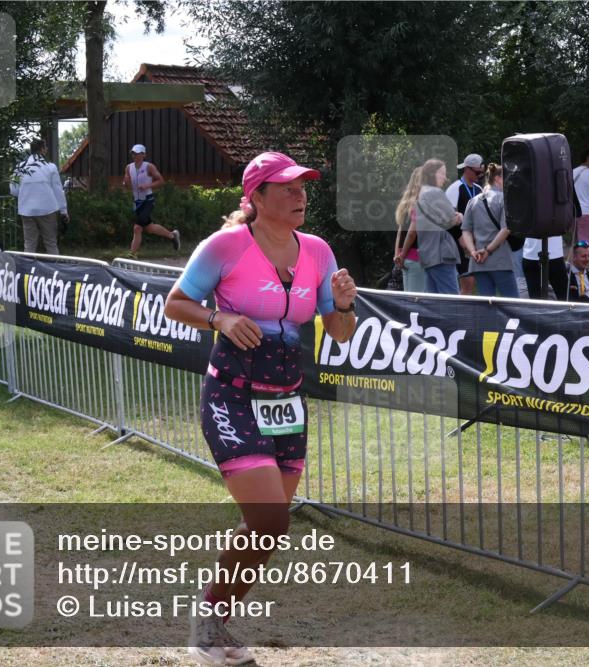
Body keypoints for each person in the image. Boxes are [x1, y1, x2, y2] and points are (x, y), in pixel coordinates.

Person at [163, 151, 357, 667]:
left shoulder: (317, 250)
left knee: (270, 525)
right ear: (257, 198)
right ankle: (208, 621)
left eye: (303, 188)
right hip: (231, 395)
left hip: (287, 400)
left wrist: (341, 304)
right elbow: (175, 302)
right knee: (269, 518)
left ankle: (214, 620)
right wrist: (220, 319)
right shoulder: (226, 245)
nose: (300, 196)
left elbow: (338, 332)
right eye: (288, 188)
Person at [459, 163, 518, 297]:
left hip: (478, 262)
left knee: (486, 305)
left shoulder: (473, 201)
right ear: (497, 179)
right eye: (507, 178)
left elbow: (466, 230)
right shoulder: (504, 199)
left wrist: (473, 251)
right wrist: (488, 250)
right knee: (513, 303)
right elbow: (506, 229)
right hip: (500, 260)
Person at [10, 138, 68, 254]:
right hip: (47, 209)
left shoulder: (19, 167)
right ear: (42, 149)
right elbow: (58, 190)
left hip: (26, 210)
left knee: (29, 244)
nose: (46, 149)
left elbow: (14, 191)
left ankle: (28, 270)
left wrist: (27, 195)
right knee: (51, 243)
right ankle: (53, 270)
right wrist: (63, 211)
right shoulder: (50, 167)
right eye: (45, 147)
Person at [415, 159, 464, 295]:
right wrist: (460, 216)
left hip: (428, 254)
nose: (445, 177)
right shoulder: (434, 192)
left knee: (433, 301)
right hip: (441, 254)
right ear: (432, 174)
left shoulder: (422, 192)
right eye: (442, 173)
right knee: (452, 299)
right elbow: (450, 219)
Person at [123, 144, 180, 258]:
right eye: (133, 153)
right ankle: (172, 236)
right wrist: (126, 182)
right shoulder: (129, 167)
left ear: (144, 154)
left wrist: (148, 185)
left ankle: (132, 254)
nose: (135, 156)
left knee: (137, 227)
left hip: (148, 200)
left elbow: (161, 181)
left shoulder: (149, 167)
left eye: (138, 153)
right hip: (137, 202)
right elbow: (128, 186)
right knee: (149, 228)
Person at [445, 153, 484, 295]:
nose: (479, 176)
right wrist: (460, 238)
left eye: (481, 172)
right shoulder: (454, 189)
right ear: (467, 169)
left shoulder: (479, 189)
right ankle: (457, 314)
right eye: (477, 172)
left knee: (473, 283)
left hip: (475, 242)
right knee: (467, 284)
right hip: (458, 243)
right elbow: (446, 219)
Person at [393, 167, 427, 293]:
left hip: (404, 258)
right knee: (416, 300)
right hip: (416, 257)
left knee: (409, 297)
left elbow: (400, 231)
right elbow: (412, 233)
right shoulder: (421, 203)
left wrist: (397, 254)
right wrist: (401, 255)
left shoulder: (405, 203)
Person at [572, 149, 589, 245]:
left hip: (572, 214)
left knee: (574, 245)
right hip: (586, 214)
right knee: (585, 246)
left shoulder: (571, 173)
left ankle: (571, 261)